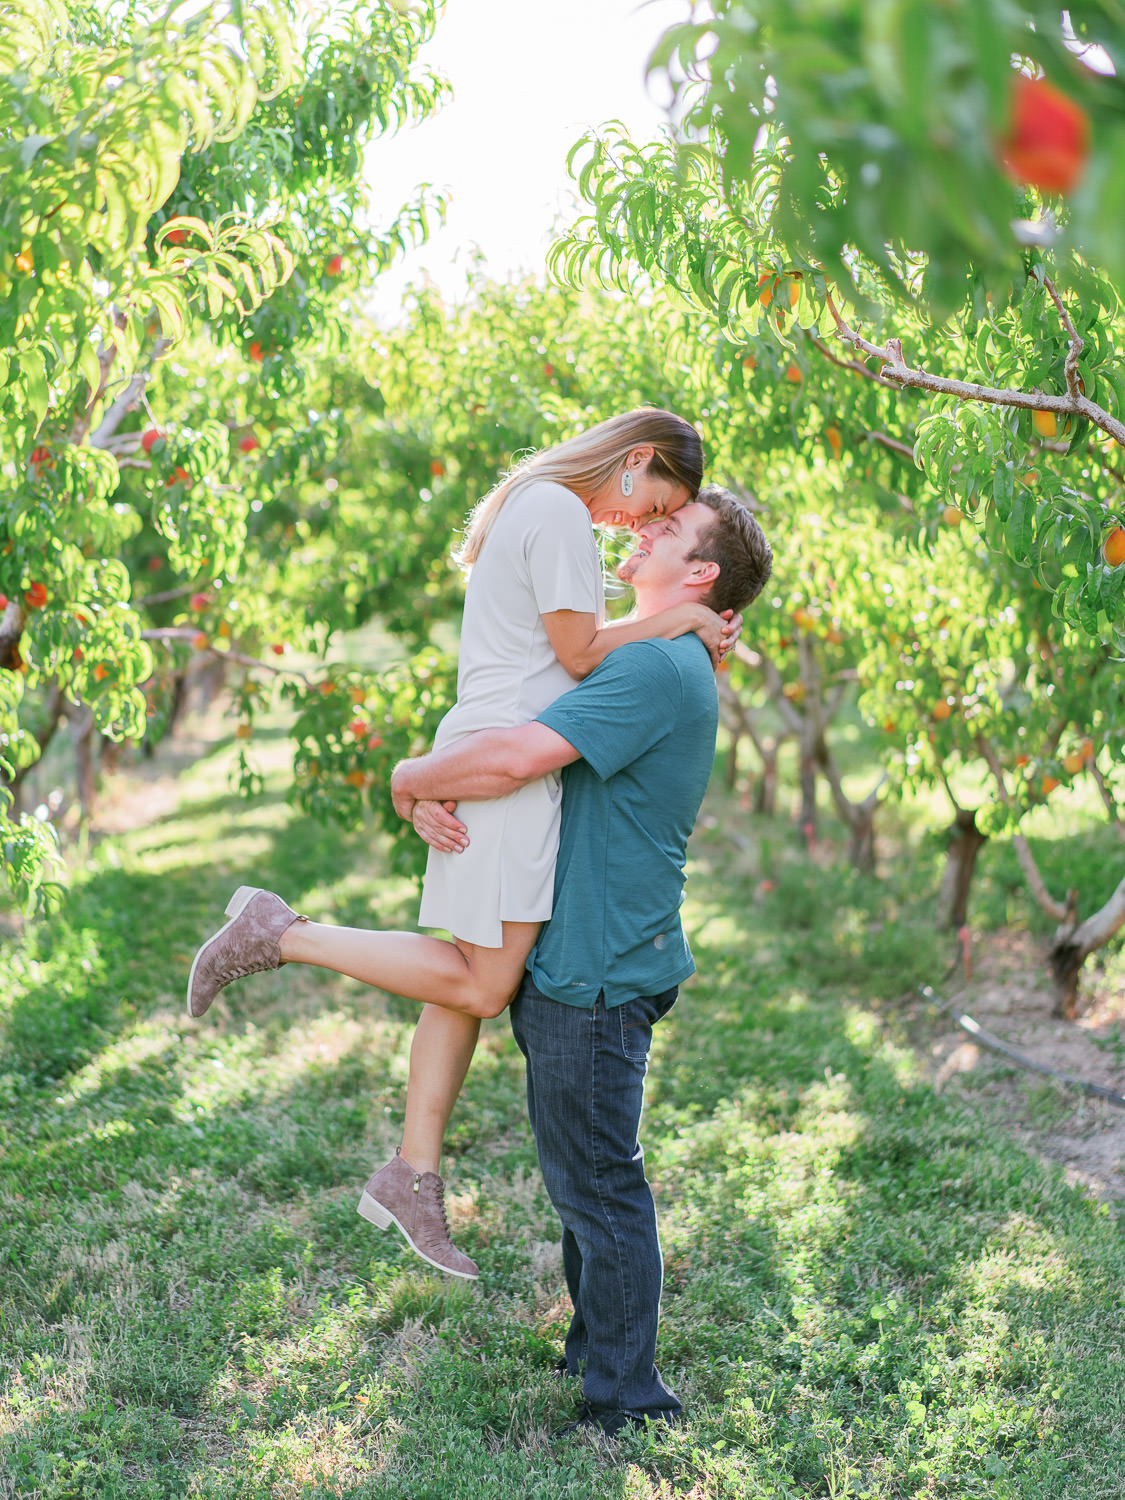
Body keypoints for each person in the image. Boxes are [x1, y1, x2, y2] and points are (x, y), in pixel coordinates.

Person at [186, 409, 737, 1279]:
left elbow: (567, 657)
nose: (640, 522)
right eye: (655, 503)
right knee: (482, 984)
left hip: (493, 748)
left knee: (460, 969)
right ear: (636, 461)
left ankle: (413, 1173)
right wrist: (684, 620)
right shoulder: (557, 511)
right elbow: (580, 656)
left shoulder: (538, 504)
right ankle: (279, 933)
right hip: (508, 764)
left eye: (662, 521)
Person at [389, 486, 773, 1437]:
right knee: (582, 1180)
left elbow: (518, 757)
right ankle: (595, 1348)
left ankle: (628, 1398)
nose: (638, 528)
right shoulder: (650, 651)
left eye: (665, 528)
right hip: (592, 952)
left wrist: (408, 780)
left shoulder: (653, 668)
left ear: (700, 574)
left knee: (599, 1189)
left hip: (596, 969)